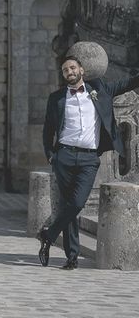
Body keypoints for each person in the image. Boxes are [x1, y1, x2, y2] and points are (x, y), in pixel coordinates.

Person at [38, 55, 139, 270]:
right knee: (69, 207)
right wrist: (50, 155)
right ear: (63, 74)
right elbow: (47, 130)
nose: (70, 72)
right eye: (65, 70)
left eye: (73, 68)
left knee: (77, 203)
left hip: (89, 158)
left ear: (81, 70)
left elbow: (128, 83)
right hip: (63, 156)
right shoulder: (56, 98)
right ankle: (72, 257)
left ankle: (48, 235)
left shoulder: (99, 90)